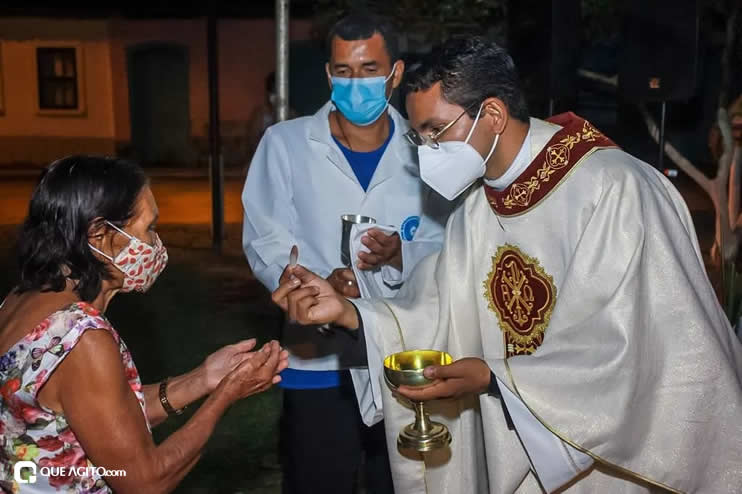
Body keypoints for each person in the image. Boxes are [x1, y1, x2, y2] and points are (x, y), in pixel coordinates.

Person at [272, 37, 742, 493]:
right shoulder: (476, 207)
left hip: (615, 463)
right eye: (418, 137)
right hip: (522, 447)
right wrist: (350, 313)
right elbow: (437, 312)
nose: (426, 151)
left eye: (436, 131)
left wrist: (497, 377)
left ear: (491, 114)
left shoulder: (615, 189)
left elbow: (638, 350)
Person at [242, 13, 451, 494]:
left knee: (399, 483)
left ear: (396, 74)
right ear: (329, 75)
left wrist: (400, 256)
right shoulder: (286, 145)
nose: (356, 84)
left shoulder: (428, 152)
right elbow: (264, 239)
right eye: (343, 70)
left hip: (400, 358)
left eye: (370, 69)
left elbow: (448, 245)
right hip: (317, 363)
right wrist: (312, 286)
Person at [0, 155, 288, 493]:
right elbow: (144, 481)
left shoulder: (21, 301)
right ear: (100, 235)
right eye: (148, 227)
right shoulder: (81, 339)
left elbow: (102, 416)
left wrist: (204, 379)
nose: (155, 243)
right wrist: (226, 396)